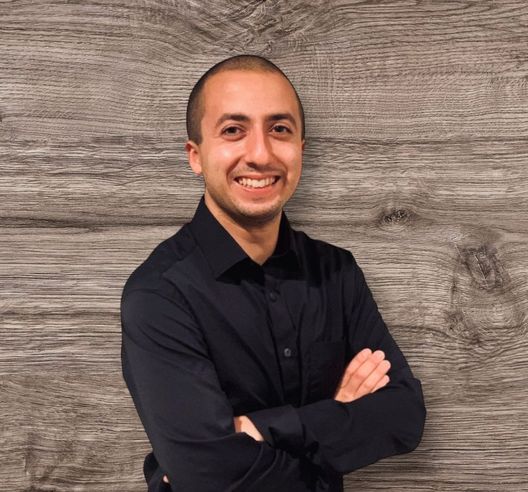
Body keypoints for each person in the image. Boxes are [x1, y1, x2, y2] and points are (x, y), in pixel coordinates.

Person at [120, 54, 426, 492]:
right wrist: (335, 418)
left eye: (279, 130)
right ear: (196, 156)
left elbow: (403, 414)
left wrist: (266, 429)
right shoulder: (159, 295)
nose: (260, 153)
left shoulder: (336, 272)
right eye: (233, 130)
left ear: (300, 150)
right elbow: (212, 476)